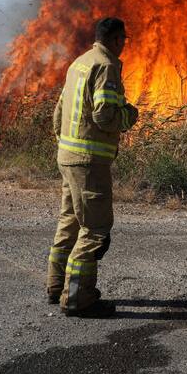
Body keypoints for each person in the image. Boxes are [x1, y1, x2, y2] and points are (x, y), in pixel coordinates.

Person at [45, 17, 140, 317]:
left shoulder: (79, 63)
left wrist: (65, 145)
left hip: (68, 156)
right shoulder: (106, 66)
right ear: (114, 39)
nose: (125, 44)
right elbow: (104, 115)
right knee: (95, 229)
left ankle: (56, 285)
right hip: (89, 162)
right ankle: (77, 297)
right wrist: (130, 116)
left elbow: (58, 112)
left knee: (70, 222)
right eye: (124, 39)